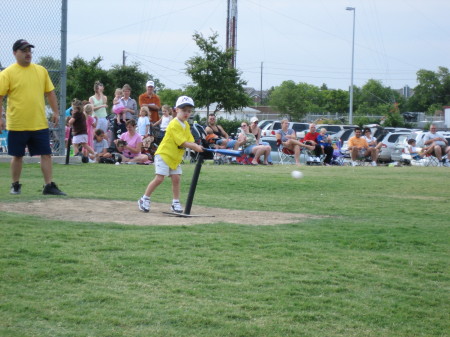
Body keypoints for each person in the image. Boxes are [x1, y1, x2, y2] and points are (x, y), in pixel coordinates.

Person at [0, 39, 65, 195]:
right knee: (17, 155)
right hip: (17, 123)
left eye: (29, 50)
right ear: (15, 53)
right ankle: (15, 185)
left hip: (39, 122)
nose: (28, 53)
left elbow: (50, 92)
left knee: (46, 154)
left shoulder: (41, 70)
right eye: (24, 50)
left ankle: (48, 185)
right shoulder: (7, 73)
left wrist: (56, 112)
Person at [138, 96, 203, 214]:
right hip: (164, 154)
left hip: (175, 157)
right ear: (176, 110)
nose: (186, 113)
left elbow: (190, 140)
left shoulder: (186, 125)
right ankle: (144, 199)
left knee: (176, 178)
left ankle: (175, 202)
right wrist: (195, 147)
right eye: (184, 110)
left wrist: (199, 146)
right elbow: (183, 142)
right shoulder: (173, 124)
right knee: (159, 178)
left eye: (189, 111)